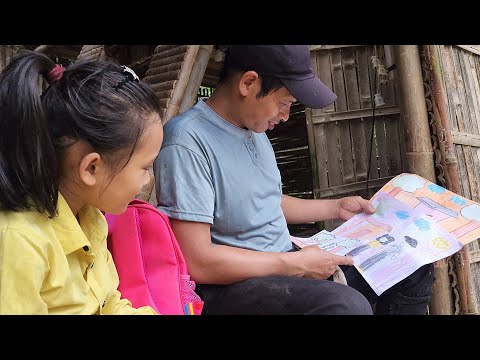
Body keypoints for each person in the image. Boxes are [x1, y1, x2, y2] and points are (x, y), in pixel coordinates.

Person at [154, 45, 434, 315]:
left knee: (412, 263)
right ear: (248, 83)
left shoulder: (255, 131)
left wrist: (336, 208)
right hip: (232, 285)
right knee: (346, 306)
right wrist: (295, 265)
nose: (286, 116)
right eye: (284, 102)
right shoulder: (186, 143)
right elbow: (198, 261)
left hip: (285, 261)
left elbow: (266, 201)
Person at [0, 50, 164, 314]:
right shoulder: (19, 241)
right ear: (91, 168)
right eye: (145, 167)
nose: (148, 179)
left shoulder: (90, 219)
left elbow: (108, 304)